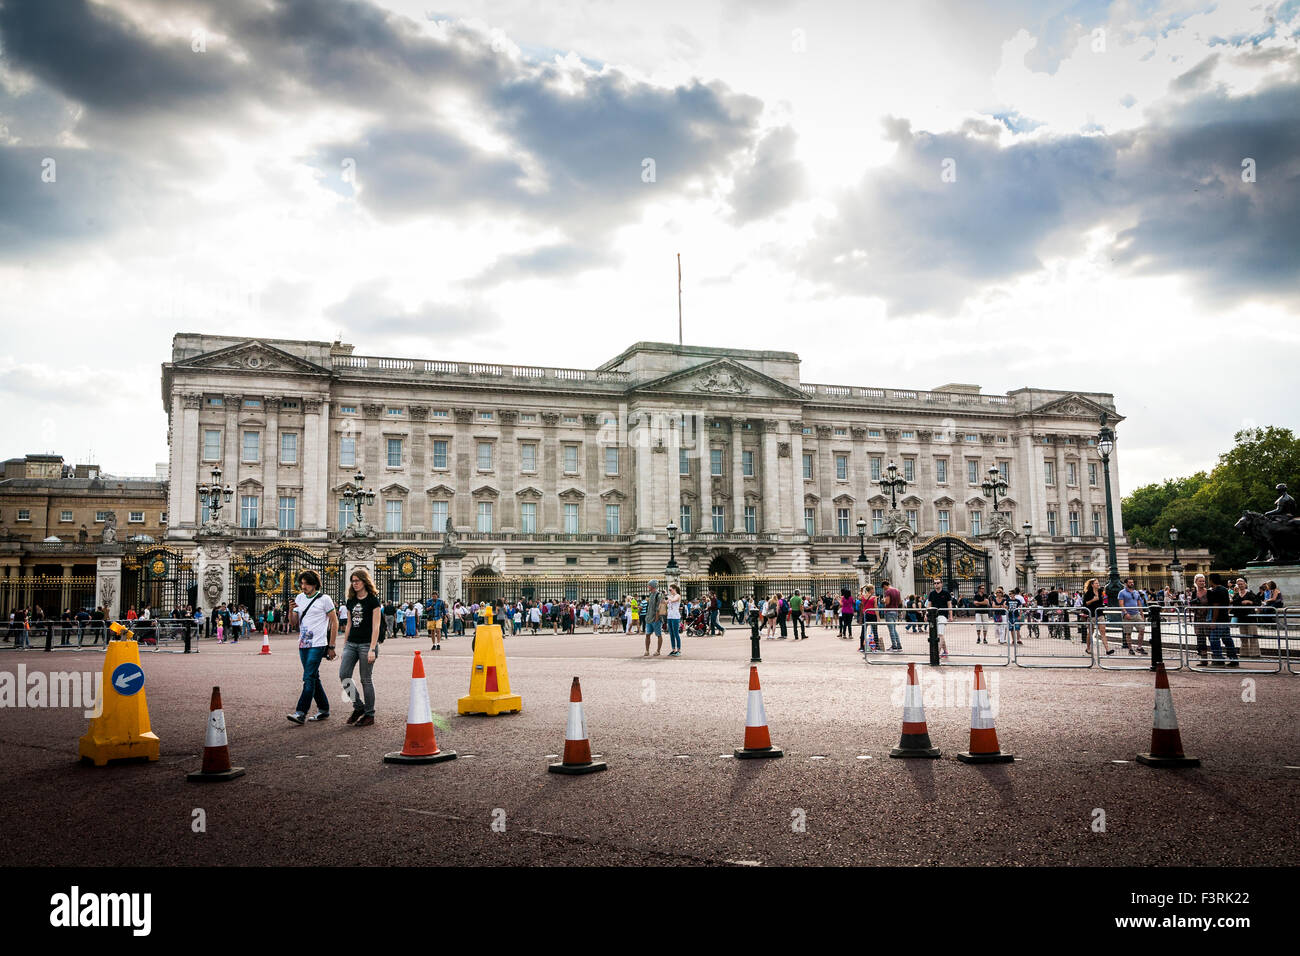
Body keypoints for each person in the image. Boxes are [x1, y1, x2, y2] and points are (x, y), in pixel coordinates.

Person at [287, 570, 338, 724]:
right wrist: (290, 609)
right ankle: (324, 709)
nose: (303, 586)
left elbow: (334, 622)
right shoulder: (299, 598)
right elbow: (293, 623)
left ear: (314, 584)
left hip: (318, 643)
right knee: (314, 677)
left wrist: (332, 646)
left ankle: (300, 712)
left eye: (306, 583)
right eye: (301, 583)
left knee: (308, 677)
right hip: (303, 643)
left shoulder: (325, 599)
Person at [339, 568, 382, 727]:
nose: (355, 584)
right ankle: (358, 706)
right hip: (351, 643)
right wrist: (344, 646)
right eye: (353, 581)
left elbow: (376, 626)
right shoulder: (350, 600)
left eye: (357, 581)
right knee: (344, 675)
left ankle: (369, 714)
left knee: (366, 680)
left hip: (366, 644)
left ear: (364, 581)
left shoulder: (373, 600)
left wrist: (372, 648)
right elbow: (349, 624)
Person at [1117, 578, 1148, 655]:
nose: (1132, 584)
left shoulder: (1136, 592)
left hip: (1136, 613)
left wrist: (1142, 613)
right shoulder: (1122, 593)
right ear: (1126, 584)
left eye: (1132, 582)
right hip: (1127, 615)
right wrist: (1125, 613)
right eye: (1130, 582)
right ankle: (1130, 649)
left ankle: (1139, 647)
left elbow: (1139, 603)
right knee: (1128, 633)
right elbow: (1121, 604)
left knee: (1142, 629)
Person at [1081, 579, 1112, 656]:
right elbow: (1085, 604)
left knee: (1103, 632)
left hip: (1100, 614)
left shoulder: (1100, 591)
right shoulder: (1088, 593)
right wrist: (1093, 600)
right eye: (1096, 583)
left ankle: (1107, 650)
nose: (1098, 584)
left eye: (1098, 583)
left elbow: (1103, 600)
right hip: (1091, 615)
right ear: (1092, 585)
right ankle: (1088, 648)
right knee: (1091, 632)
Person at [925, 578, 952, 660]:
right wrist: (926, 614)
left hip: (943, 615)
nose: (936, 584)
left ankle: (937, 653)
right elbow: (929, 605)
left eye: (938, 583)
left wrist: (950, 616)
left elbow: (949, 605)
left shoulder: (946, 593)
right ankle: (946, 651)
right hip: (933, 616)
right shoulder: (932, 594)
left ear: (941, 584)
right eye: (934, 583)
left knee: (940, 634)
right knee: (938, 634)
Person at [880, 579, 903, 651]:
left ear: (885, 586)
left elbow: (887, 602)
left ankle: (894, 646)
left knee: (891, 630)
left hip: (889, 611)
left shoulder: (888, 591)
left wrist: (883, 600)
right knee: (894, 629)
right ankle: (898, 645)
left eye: (884, 588)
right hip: (895, 611)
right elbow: (900, 602)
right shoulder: (897, 590)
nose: (884, 590)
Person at [664, 583, 683, 657]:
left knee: (676, 633)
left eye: (670, 589)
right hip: (670, 616)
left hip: (675, 616)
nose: (669, 591)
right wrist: (664, 596)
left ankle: (678, 650)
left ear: (674, 589)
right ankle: (673, 649)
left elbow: (673, 600)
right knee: (671, 634)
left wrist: (667, 596)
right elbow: (665, 603)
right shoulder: (670, 596)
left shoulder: (677, 596)